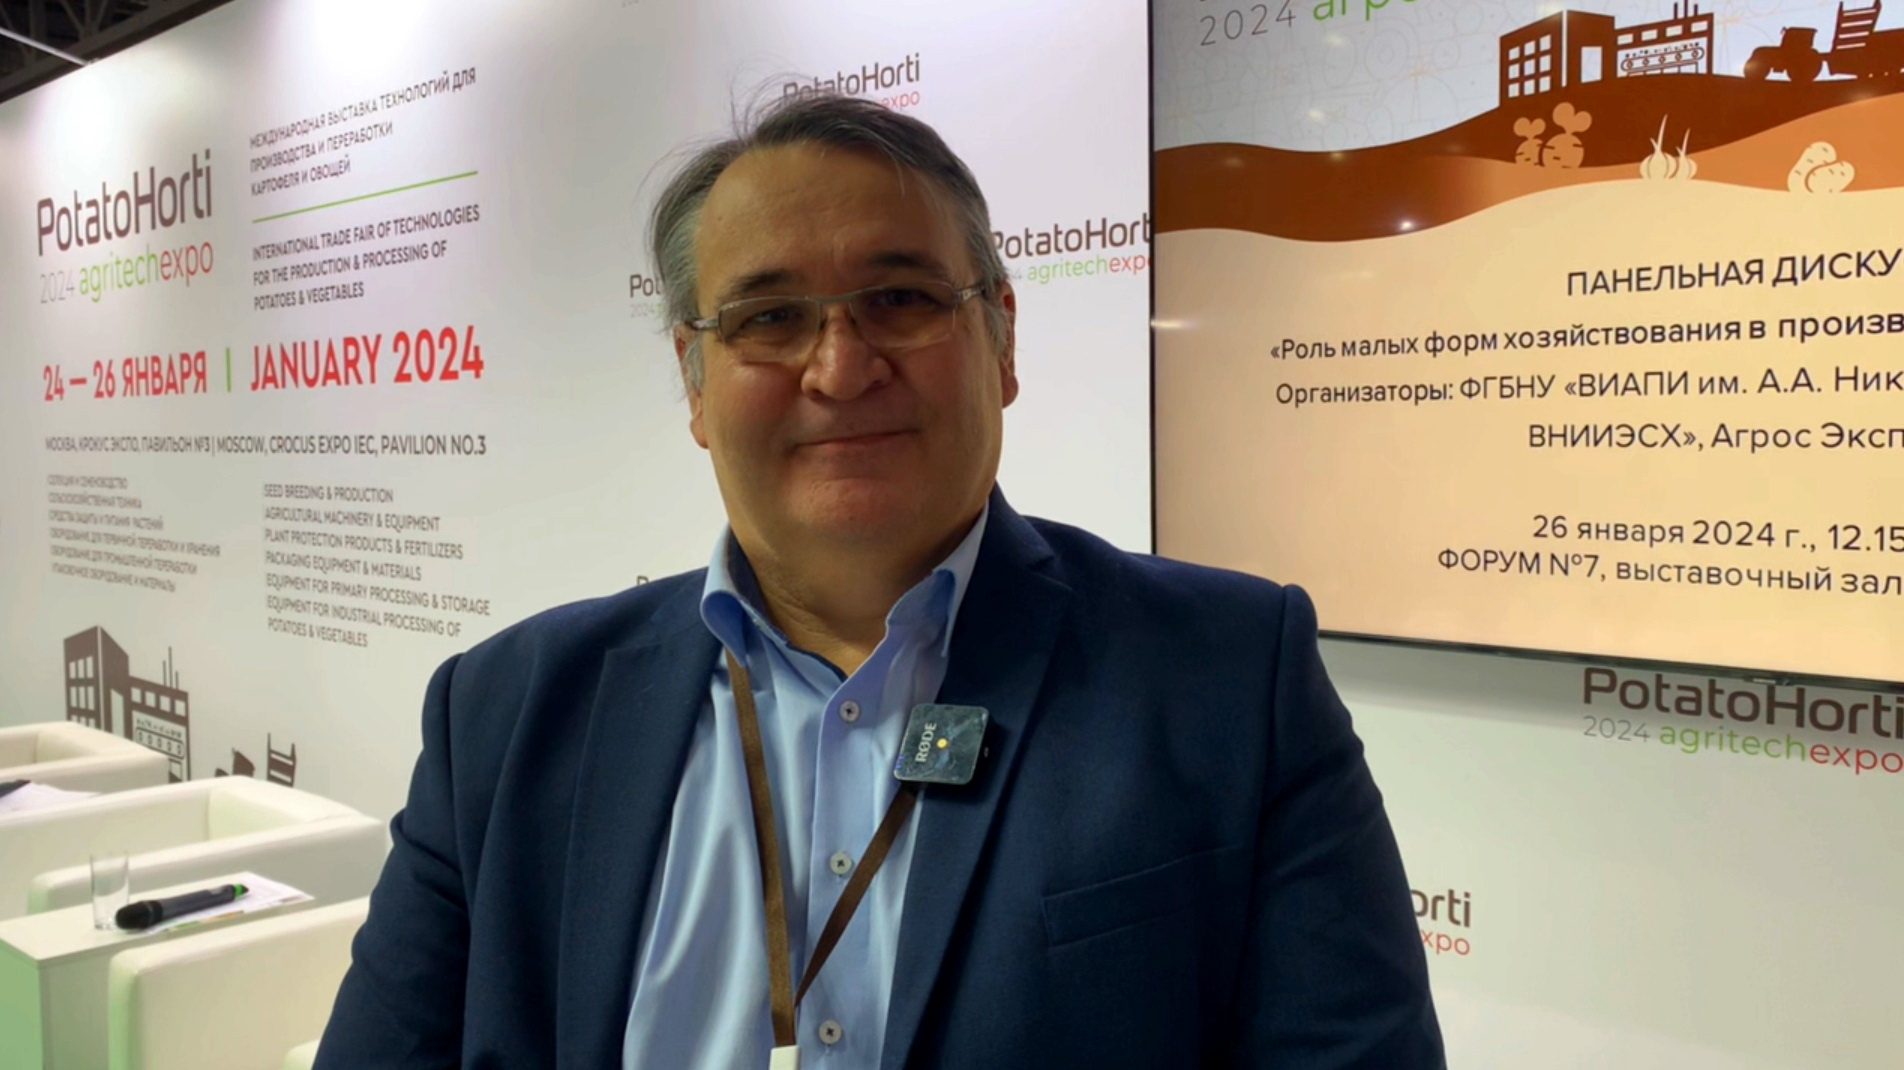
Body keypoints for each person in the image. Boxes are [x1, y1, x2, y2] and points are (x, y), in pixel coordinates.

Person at [316, 93, 1443, 1069]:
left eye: (900, 298)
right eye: (768, 318)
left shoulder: (1229, 680)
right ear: (695, 382)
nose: (842, 367)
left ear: (1001, 339)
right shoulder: (502, 716)